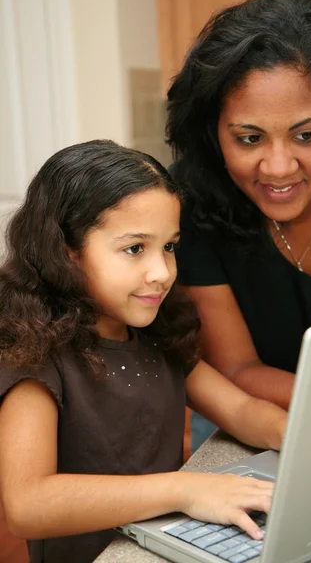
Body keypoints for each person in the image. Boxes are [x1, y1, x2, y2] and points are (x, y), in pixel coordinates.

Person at [0, 140, 287, 563]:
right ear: (67, 253)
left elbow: (242, 411)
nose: (162, 272)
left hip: (170, 545)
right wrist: (184, 489)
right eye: (135, 248)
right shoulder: (35, 352)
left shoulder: (156, 330)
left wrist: (306, 443)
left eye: (169, 246)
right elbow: (28, 505)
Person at [167, 0, 311, 450]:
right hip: (258, 430)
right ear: (216, 130)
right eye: (249, 139)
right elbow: (237, 370)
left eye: (306, 135)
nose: (278, 168)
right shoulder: (190, 205)